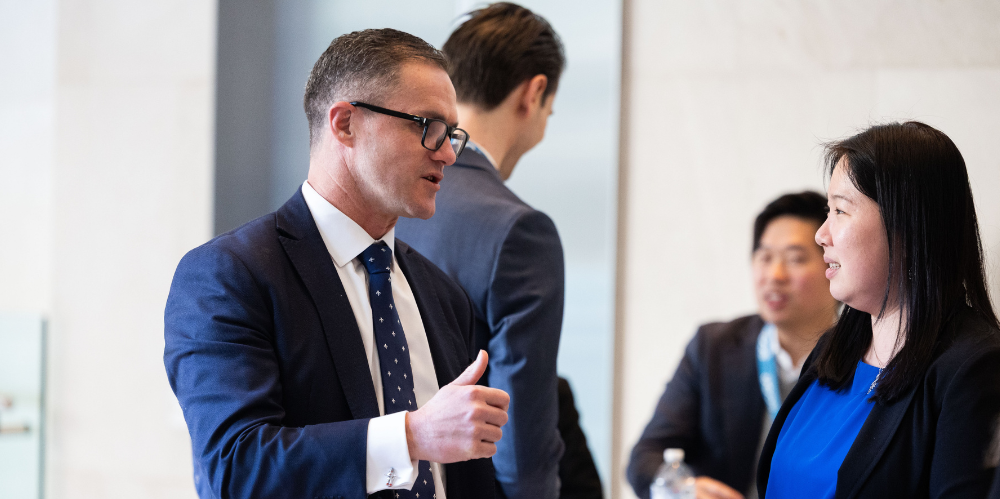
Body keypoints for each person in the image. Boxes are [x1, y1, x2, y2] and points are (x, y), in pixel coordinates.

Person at [163, 29, 509, 499]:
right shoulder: (230, 275)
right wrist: (410, 437)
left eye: (452, 134)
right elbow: (235, 469)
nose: (447, 152)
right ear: (345, 124)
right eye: (426, 125)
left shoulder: (443, 296)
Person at [757, 122, 1000, 498]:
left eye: (840, 211)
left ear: (906, 223)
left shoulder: (974, 369)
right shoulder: (833, 349)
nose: (822, 234)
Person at [395, 4, 566, 499]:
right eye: (551, 109)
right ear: (534, 93)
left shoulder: (381, 204)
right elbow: (521, 436)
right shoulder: (519, 231)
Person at [627, 191, 839, 499]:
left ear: (833, 264)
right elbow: (646, 457)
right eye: (765, 258)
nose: (774, 275)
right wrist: (684, 490)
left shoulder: (869, 356)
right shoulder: (714, 348)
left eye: (795, 259)